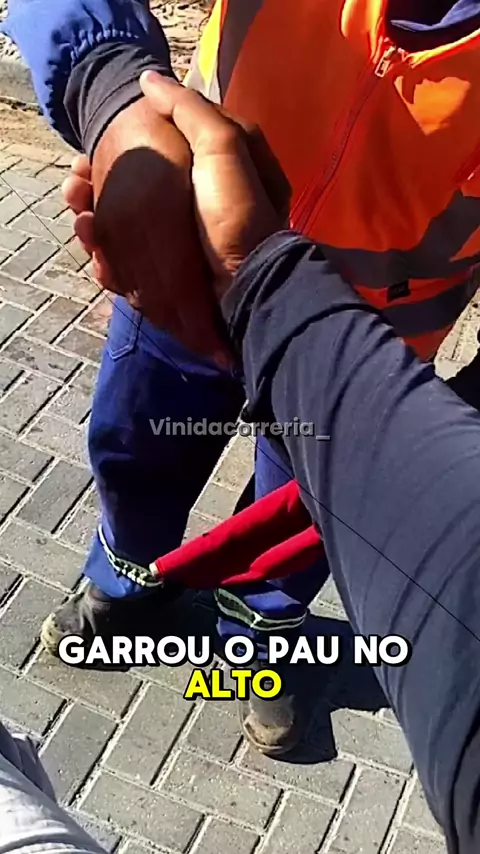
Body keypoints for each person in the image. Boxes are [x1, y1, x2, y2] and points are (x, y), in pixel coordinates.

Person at [1, 80, 480, 852]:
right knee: (136, 453)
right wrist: (112, 83)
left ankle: (260, 642)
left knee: (301, 519)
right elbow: (71, 24)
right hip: (180, 268)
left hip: (366, 330)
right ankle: (126, 591)